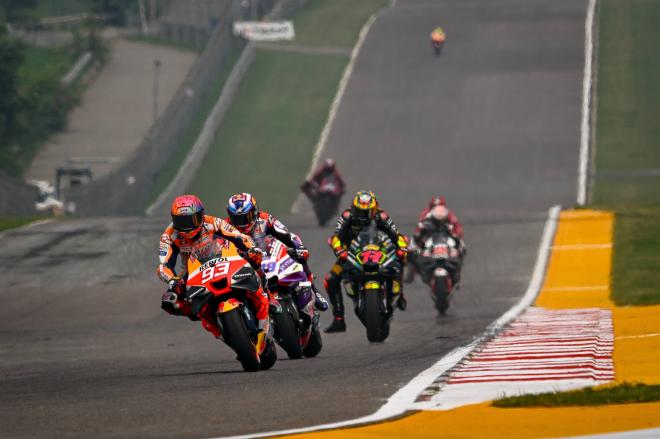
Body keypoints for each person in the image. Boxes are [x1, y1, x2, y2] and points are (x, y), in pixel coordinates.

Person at [157, 194, 271, 339]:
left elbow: (238, 237)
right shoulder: (169, 236)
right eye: (181, 221)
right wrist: (172, 280)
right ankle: (214, 325)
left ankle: (266, 294)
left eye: (191, 220)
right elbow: (164, 265)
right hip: (193, 271)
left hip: (223, 257)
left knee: (253, 261)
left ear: (201, 216)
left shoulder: (212, 222)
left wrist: (250, 250)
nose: (186, 227)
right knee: (170, 301)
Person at [226, 192, 329, 311]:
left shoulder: (265, 219)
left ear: (254, 212)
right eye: (236, 219)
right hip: (246, 265)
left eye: (246, 217)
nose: (242, 223)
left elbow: (286, 234)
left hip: (270, 256)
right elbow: (219, 248)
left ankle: (314, 291)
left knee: (300, 256)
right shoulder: (226, 227)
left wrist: (298, 247)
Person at [324, 190, 409, 333]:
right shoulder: (347, 216)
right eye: (358, 210)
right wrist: (339, 250)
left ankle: (400, 294)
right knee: (330, 279)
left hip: (378, 253)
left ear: (373, 209)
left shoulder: (382, 216)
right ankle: (338, 319)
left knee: (400, 259)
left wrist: (402, 248)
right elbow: (335, 237)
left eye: (365, 212)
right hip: (351, 255)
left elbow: (397, 235)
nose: (361, 215)